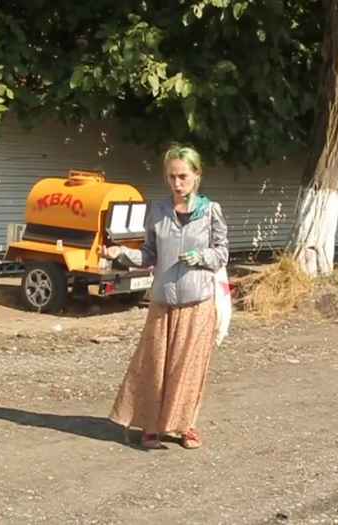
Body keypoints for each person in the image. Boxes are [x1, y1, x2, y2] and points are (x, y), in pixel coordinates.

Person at [99, 143, 229, 450]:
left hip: (198, 303)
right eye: (171, 176)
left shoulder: (211, 211)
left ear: (196, 175)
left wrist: (200, 256)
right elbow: (148, 255)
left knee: (188, 368)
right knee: (155, 366)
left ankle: (186, 427)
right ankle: (150, 428)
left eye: (183, 176)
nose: (177, 183)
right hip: (162, 301)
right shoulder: (158, 211)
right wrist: (120, 253)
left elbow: (222, 253)